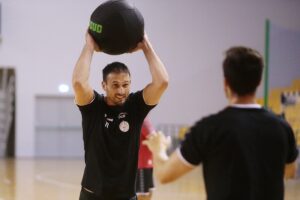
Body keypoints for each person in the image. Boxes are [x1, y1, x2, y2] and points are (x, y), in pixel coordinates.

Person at [143, 46, 299, 200]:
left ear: (226, 83)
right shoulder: (282, 127)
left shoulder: (208, 129)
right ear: (258, 82)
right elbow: (290, 171)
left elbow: (164, 175)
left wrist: (158, 148)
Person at [72, 32, 168, 200]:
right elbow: (79, 83)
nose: (121, 91)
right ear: (104, 85)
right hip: (92, 194)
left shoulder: (135, 106)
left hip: (126, 196)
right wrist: (89, 47)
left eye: (125, 85)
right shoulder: (93, 107)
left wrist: (146, 47)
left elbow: (162, 82)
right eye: (115, 85)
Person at [136, 118, 155, 200]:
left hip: (148, 164)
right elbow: (154, 139)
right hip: (141, 165)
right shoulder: (142, 122)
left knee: (149, 193)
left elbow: (153, 139)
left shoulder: (146, 121)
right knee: (142, 194)